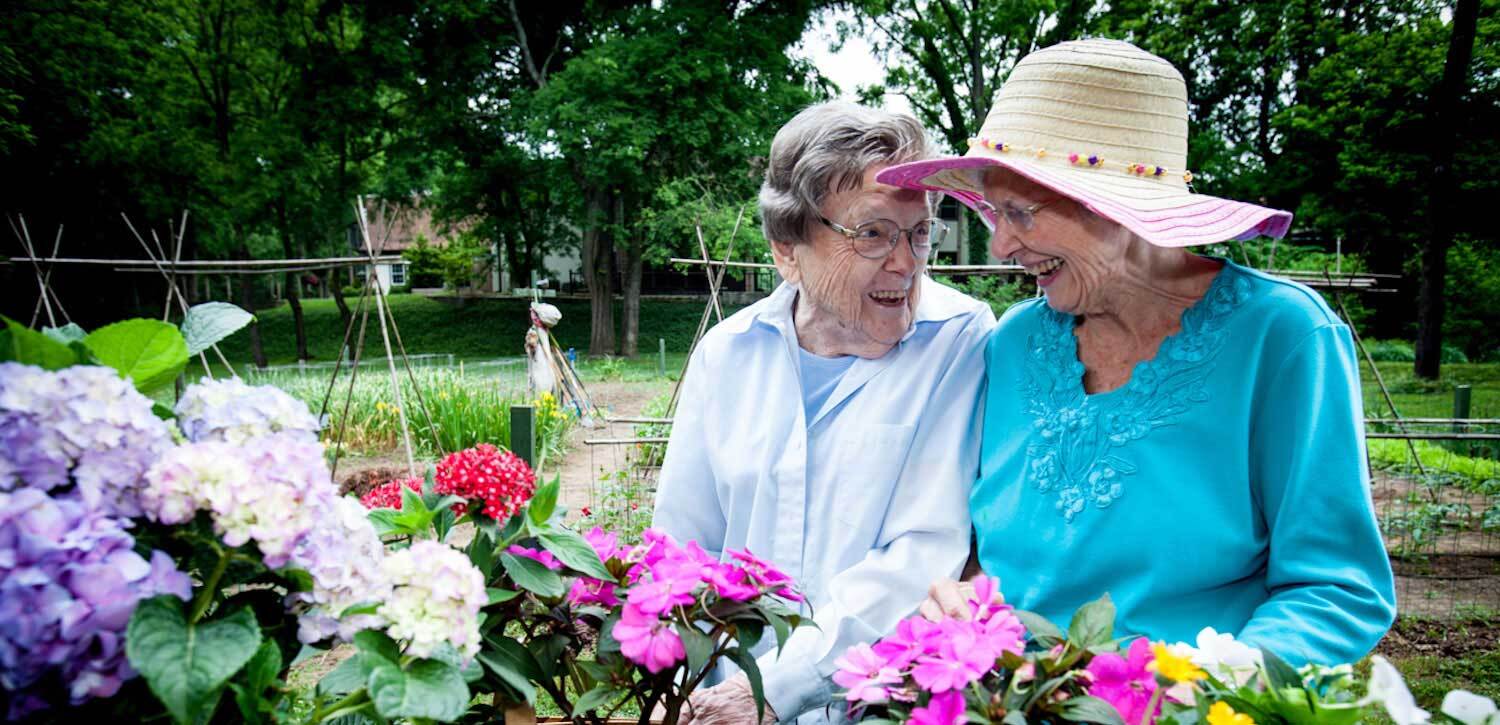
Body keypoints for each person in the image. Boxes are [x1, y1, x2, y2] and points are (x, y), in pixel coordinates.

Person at [881, 39, 1395, 665]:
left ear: (1117, 211)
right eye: (992, 210)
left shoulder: (1282, 338)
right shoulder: (1013, 343)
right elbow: (991, 550)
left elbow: (1335, 588)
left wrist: (1202, 689)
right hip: (1011, 696)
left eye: (1018, 211)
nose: (1004, 243)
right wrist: (960, 594)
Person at [651, 101, 996, 723]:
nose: (906, 261)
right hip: (716, 702)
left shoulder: (958, 338)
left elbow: (924, 548)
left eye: (918, 233)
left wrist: (772, 695)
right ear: (787, 251)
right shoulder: (727, 355)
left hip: (875, 705)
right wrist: (680, 696)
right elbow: (682, 549)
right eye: (872, 234)